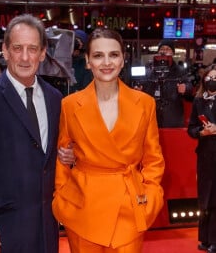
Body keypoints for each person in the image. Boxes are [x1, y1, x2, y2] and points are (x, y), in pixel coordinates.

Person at [0, 14, 72, 253]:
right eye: (18, 48)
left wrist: (68, 156)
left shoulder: (55, 99)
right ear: (6, 50)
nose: (25, 57)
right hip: (2, 228)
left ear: (42, 53)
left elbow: (51, 156)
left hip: (45, 225)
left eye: (32, 49)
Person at [52, 27, 165, 253]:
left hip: (129, 207)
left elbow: (154, 159)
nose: (106, 62)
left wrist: (151, 197)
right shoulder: (70, 105)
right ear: (87, 61)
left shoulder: (144, 103)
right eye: (98, 55)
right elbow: (62, 156)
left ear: (123, 59)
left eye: (113, 54)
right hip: (83, 207)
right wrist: (61, 195)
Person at [187, 64, 216, 253]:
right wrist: (202, 132)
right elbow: (191, 129)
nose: (212, 80)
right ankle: (205, 238)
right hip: (205, 157)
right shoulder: (199, 102)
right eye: (210, 77)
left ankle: (215, 240)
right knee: (205, 198)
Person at [134, 39, 193, 127]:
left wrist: (185, 88)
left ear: (173, 53)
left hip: (172, 116)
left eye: (167, 49)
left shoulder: (180, 70)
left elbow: (189, 87)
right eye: (162, 49)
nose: (164, 51)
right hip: (152, 115)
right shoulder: (149, 70)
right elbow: (142, 86)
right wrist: (139, 89)